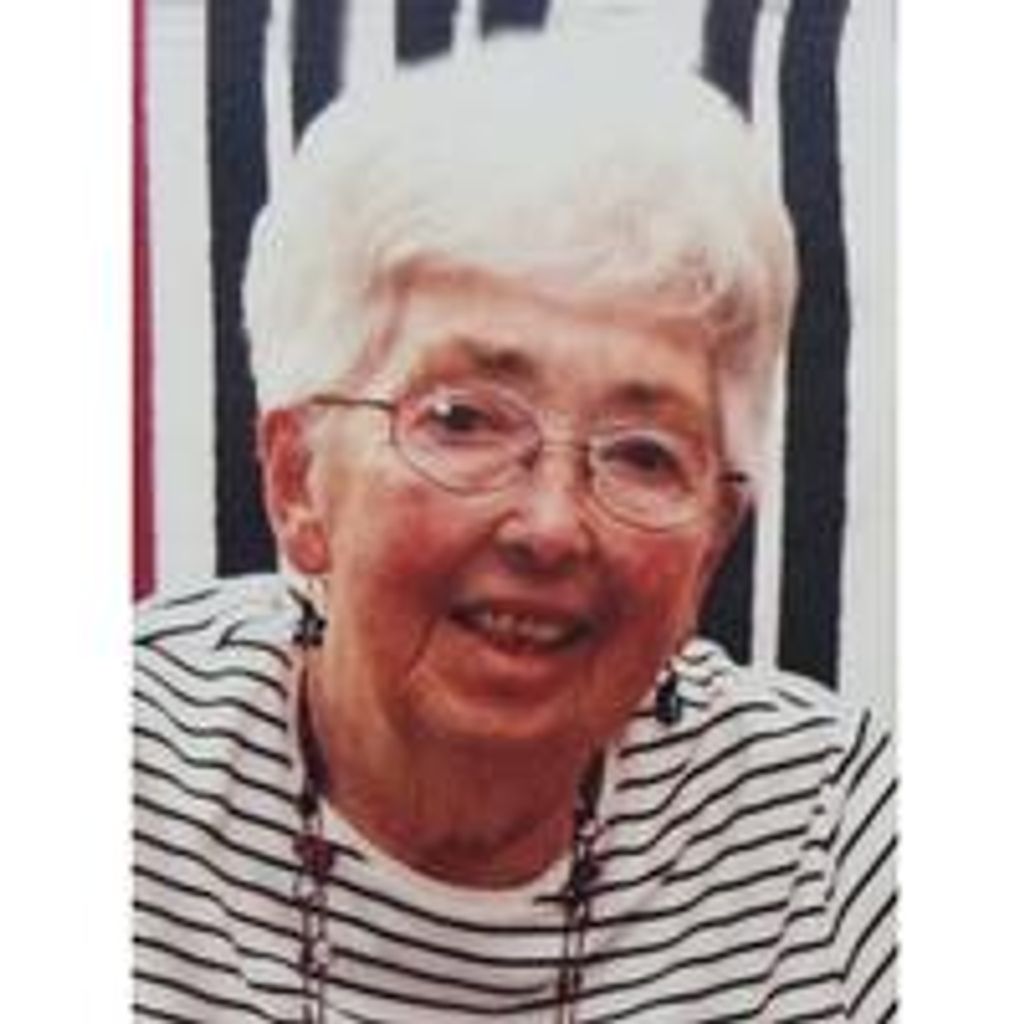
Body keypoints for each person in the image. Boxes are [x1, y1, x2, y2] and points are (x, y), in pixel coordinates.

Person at [133, 30, 896, 1024]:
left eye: (643, 453)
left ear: (711, 543)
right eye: (462, 420)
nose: (550, 527)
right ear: (297, 483)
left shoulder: (831, 833)